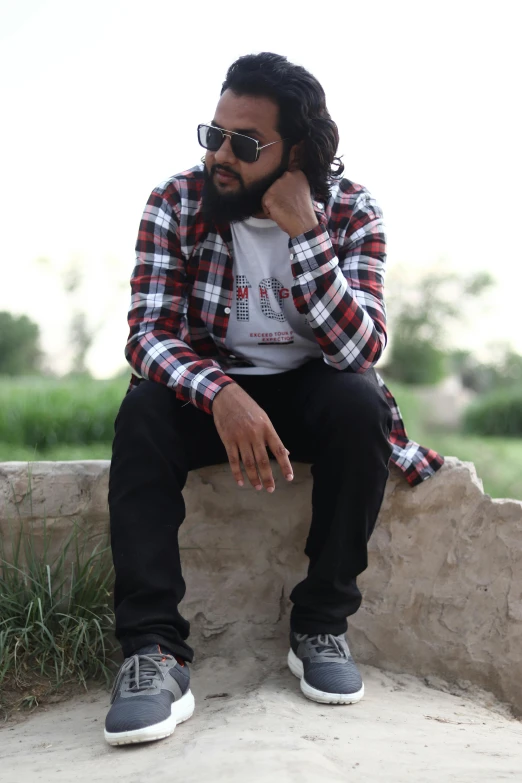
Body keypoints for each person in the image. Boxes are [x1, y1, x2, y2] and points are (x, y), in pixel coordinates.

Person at [105, 52, 444, 746]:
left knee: (361, 405)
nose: (220, 156)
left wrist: (307, 236)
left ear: (298, 153)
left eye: (246, 143)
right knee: (142, 410)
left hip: (311, 392)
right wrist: (222, 392)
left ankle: (320, 621)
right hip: (214, 390)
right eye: (215, 134)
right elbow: (149, 337)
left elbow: (360, 350)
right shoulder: (176, 200)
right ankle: (153, 652)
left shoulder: (351, 211)